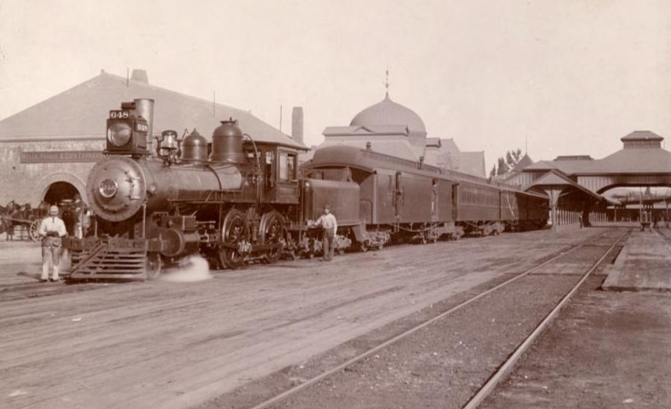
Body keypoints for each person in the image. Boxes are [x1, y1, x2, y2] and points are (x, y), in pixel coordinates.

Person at [38, 205, 67, 282]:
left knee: (56, 259)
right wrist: (46, 233)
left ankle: (55, 276)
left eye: (55, 212)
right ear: (49, 212)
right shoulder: (45, 221)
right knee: (45, 259)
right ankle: (44, 276)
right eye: (52, 212)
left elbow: (64, 232)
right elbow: (40, 231)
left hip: (56, 242)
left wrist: (58, 233)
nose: (53, 213)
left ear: (57, 212)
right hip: (46, 242)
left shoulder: (61, 221)